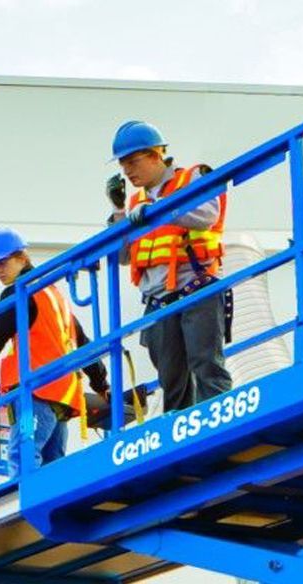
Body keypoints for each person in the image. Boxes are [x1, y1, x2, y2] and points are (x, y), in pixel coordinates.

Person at [0, 228, 108, 474]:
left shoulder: (21, 293)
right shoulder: (52, 295)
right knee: (53, 468)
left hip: (37, 390)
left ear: (22, 257)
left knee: (24, 457)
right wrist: (101, 383)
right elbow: (80, 341)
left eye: (2, 262)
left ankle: (23, 512)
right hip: (62, 396)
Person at [110, 120, 232, 413]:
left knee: (206, 365)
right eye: (123, 164)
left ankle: (215, 425)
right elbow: (124, 257)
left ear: (155, 155)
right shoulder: (135, 202)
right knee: (171, 378)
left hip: (195, 288)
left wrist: (160, 210)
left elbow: (207, 214)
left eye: (132, 161)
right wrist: (118, 212)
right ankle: (180, 434)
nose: (127, 171)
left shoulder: (191, 178)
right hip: (158, 301)